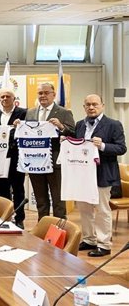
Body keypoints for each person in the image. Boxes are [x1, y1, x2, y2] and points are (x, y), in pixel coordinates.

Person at [74, 94, 126, 257]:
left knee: (102, 210)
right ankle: (89, 239)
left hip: (103, 174)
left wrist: (102, 146)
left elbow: (121, 148)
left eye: (94, 104)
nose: (91, 107)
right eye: (88, 104)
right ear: (84, 107)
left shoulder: (113, 124)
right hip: (83, 174)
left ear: (102, 105)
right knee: (84, 209)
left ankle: (104, 244)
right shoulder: (79, 124)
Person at [18, 82, 75, 220]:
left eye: (46, 92)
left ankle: (60, 232)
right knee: (41, 200)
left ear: (53, 94)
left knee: (58, 201)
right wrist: (19, 126)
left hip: (55, 162)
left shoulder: (64, 112)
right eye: (40, 93)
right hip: (35, 162)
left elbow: (74, 133)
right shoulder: (30, 112)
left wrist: (61, 126)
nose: (43, 96)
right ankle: (42, 229)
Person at [0, 88, 27, 228]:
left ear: (14, 99)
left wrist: (21, 125)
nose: (5, 99)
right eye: (2, 97)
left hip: (16, 157)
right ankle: (6, 216)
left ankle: (19, 218)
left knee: (18, 188)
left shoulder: (23, 113)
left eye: (8, 96)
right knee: (2, 188)